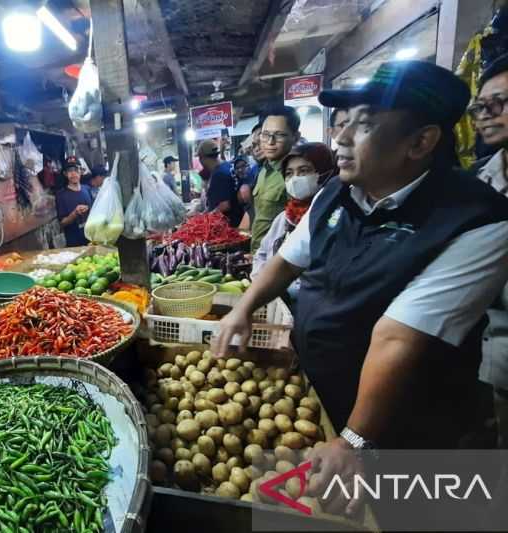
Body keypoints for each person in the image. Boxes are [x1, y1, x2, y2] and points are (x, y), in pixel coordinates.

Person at [213, 61, 508, 513]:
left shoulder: (477, 221)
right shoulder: (336, 192)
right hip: (327, 401)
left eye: (365, 124)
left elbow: (399, 337)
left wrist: (354, 440)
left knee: (401, 516)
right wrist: (244, 306)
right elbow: (289, 259)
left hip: (403, 426)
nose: (343, 138)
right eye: (343, 123)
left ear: (421, 141)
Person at [469, 53, 508, 449]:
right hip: (486, 361)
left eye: (500, 102)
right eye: (480, 105)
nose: (485, 113)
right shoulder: (476, 182)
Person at [251, 143, 335, 301]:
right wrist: (264, 284)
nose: (295, 179)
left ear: (325, 173)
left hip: (314, 307)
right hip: (275, 300)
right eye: (289, 173)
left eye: (304, 171)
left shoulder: (334, 219)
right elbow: (261, 254)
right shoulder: (283, 218)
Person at [250, 106, 300, 252]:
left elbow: (299, 227)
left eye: (279, 135)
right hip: (259, 256)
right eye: (265, 135)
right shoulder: (264, 170)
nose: (270, 142)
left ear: (295, 137)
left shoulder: (295, 174)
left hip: (279, 259)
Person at [197, 140, 243, 227]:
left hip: (227, 224)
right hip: (236, 219)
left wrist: (206, 217)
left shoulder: (219, 174)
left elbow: (225, 205)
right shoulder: (227, 166)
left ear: (202, 158)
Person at [56, 156, 93, 247]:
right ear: (65, 174)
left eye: (76, 170)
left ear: (81, 171)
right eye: (70, 171)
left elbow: (93, 211)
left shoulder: (87, 189)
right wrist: (74, 214)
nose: (73, 174)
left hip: (91, 239)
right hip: (74, 243)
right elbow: (62, 223)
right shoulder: (61, 195)